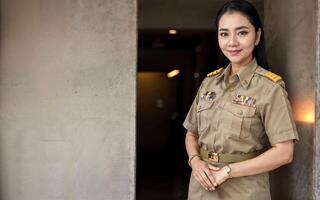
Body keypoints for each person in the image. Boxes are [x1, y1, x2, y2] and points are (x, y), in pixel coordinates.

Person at [183, 0, 299, 199]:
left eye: (242, 32)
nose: (232, 42)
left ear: (257, 36)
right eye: (224, 33)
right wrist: (195, 161)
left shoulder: (269, 88)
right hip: (202, 187)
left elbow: (284, 152)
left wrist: (227, 172)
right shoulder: (209, 83)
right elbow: (191, 133)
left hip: (245, 191)